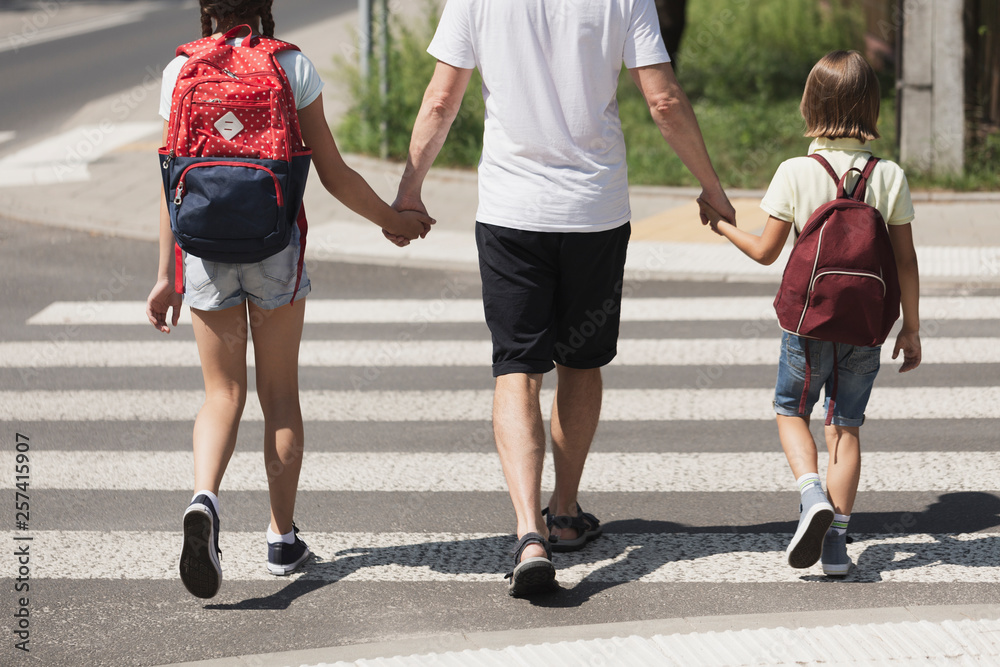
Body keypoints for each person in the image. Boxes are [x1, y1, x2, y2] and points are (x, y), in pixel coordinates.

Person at [391, 0, 735, 596]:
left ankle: (529, 533)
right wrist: (712, 187)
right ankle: (567, 514)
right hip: (594, 213)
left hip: (510, 214)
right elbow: (663, 100)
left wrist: (408, 191)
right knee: (580, 361)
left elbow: (442, 100)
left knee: (517, 368)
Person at [145, 0, 433, 599]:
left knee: (221, 394)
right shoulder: (291, 66)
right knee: (280, 395)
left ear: (207, 12)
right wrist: (392, 220)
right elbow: (332, 172)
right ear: (266, 8)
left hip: (203, 246)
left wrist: (168, 274)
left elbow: (174, 180)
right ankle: (280, 539)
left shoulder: (179, 71)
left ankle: (204, 498)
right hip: (276, 246)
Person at [699, 50, 921, 577]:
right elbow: (906, 260)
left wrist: (720, 223)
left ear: (810, 103)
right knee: (845, 427)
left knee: (789, 411)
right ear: (871, 106)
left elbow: (765, 252)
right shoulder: (888, 175)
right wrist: (910, 327)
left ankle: (810, 494)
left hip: (807, 322)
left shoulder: (796, 171)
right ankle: (837, 547)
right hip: (866, 327)